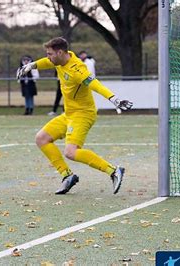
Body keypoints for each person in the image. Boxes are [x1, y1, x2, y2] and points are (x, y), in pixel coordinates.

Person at [17, 37, 133, 195]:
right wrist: (31, 65)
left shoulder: (78, 69)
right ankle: (67, 176)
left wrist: (114, 99)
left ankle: (114, 171)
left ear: (59, 52)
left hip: (83, 114)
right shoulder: (60, 59)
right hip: (69, 114)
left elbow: (95, 84)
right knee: (41, 138)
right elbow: (46, 62)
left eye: (50, 54)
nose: (48, 57)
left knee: (71, 152)